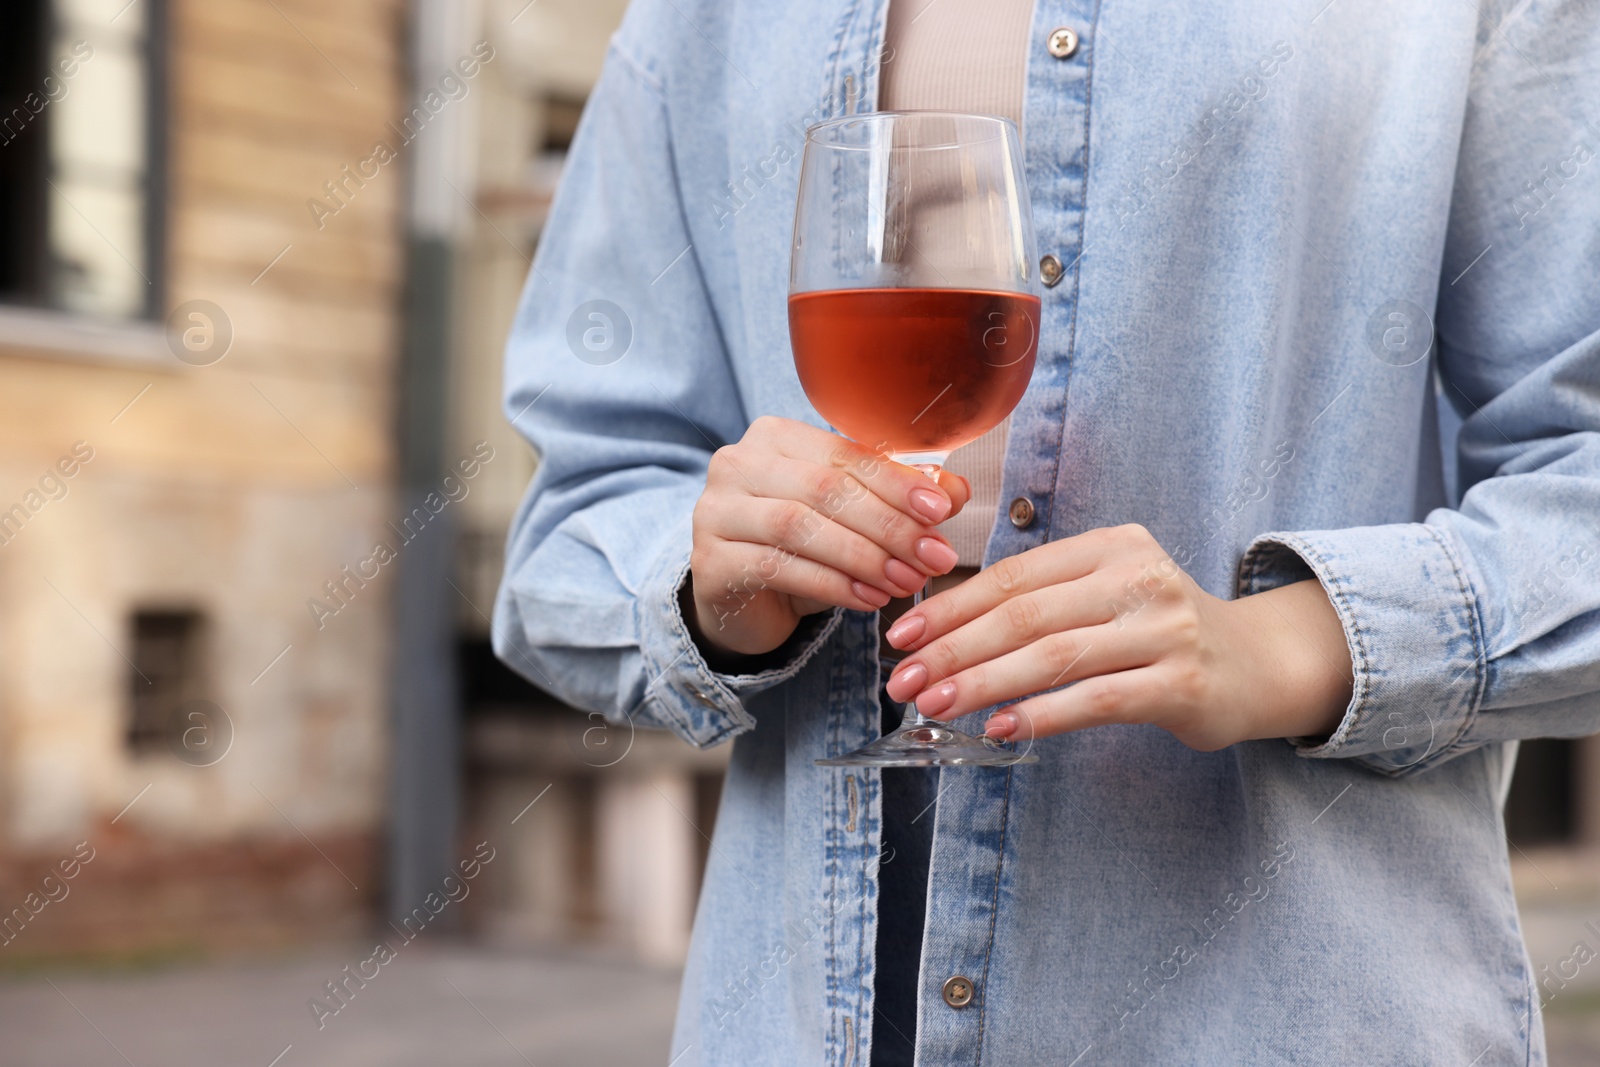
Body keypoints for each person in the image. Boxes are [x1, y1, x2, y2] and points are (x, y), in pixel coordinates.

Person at [492, 0, 1600, 1062]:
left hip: (1282, 991)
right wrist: (717, 582)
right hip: (807, 994)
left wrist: (1273, 644)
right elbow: (580, 509)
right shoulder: (701, 18)